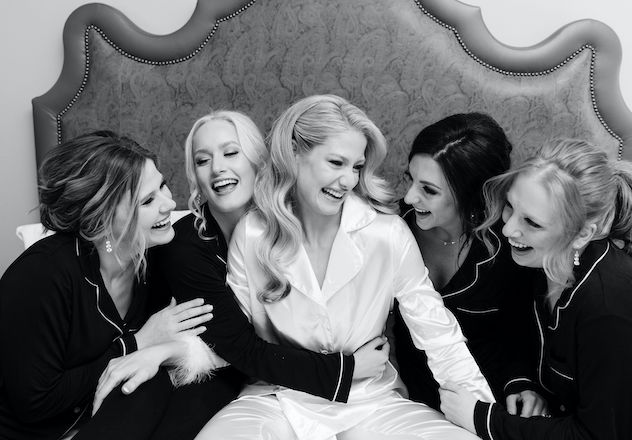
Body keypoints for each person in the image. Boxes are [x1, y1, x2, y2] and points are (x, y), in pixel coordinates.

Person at [195, 95, 494, 440]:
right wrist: (156, 348)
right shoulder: (253, 233)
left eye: (356, 167)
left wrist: (481, 415)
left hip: (372, 402)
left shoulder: (387, 233)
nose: (349, 180)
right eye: (336, 162)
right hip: (277, 399)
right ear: (294, 153)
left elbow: (438, 334)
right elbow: (237, 340)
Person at [92, 110, 390, 440]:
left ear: (259, 161)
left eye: (231, 153)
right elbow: (239, 347)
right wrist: (345, 370)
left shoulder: (305, 219)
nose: (218, 168)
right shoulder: (186, 247)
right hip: (211, 368)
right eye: (203, 160)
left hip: (265, 374)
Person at [439, 139, 632, 440]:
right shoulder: (538, 262)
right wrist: (522, 383)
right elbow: (514, 338)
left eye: (531, 222)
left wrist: (485, 420)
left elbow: (597, 436)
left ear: (582, 233)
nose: (508, 229)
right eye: (510, 207)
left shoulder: (611, 310)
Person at [0, 131, 213, 439]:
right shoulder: (41, 275)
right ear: (102, 220)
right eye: (148, 201)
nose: (170, 203)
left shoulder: (158, 257)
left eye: (163, 186)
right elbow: (35, 403)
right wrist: (137, 343)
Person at [394, 113, 546, 414]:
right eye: (410, 179)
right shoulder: (393, 228)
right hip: (400, 400)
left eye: (429, 190)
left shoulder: (509, 247)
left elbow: (521, 333)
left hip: (481, 401)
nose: (410, 197)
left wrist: (521, 384)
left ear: (470, 194)